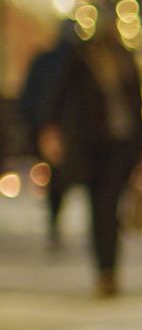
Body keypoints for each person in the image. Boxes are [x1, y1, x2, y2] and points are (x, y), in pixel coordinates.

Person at [42, 10, 142, 297]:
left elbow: (138, 107)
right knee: (100, 209)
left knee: (109, 207)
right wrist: (53, 131)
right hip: (91, 146)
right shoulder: (82, 59)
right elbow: (60, 96)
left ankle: (109, 270)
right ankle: (105, 271)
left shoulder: (127, 61)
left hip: (121, 147)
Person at [17, 19, 78, 248]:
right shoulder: (76, 62)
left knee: (55, 176)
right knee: (59, 176)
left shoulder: (44, 60)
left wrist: (32, 122)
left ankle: (55, 218)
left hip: (48, 127)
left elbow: (29, 94)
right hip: (64, 129)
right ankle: (56, 217)